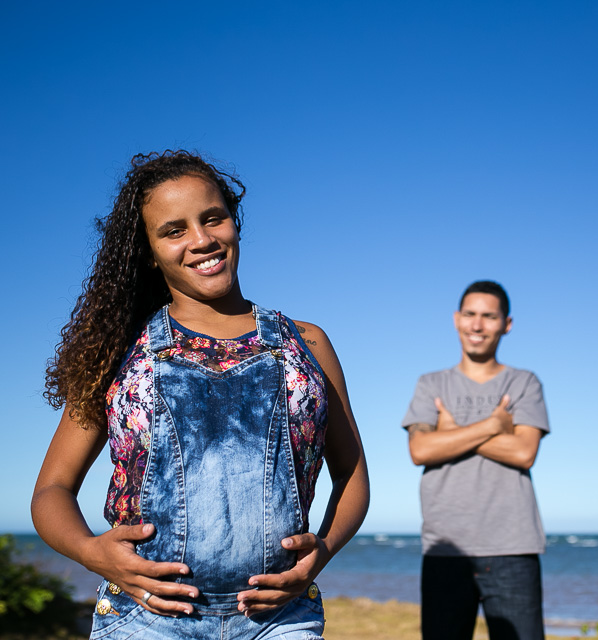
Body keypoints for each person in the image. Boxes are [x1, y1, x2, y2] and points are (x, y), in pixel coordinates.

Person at [32, 150, 369, 639]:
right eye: (174, 230)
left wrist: (322, 551)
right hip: (145, 618)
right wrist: (91, 551)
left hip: (278, 620)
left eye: (213, 219)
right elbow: (51, 490)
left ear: (234, 222)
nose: (202, 240)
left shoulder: (307, 342)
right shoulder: (121, 351)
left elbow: (352, 473)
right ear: (148, 250)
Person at [402, 281, 550, 640]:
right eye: (470, 314)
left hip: (513, 547)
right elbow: (420, 450)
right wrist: (493, 426)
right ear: (456, 319)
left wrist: (452, 432)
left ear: (506, 324)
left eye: (489, 316)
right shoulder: (431, 384)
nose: (478, 325)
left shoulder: (524, 383)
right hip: (445, 548)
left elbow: (523, 453)